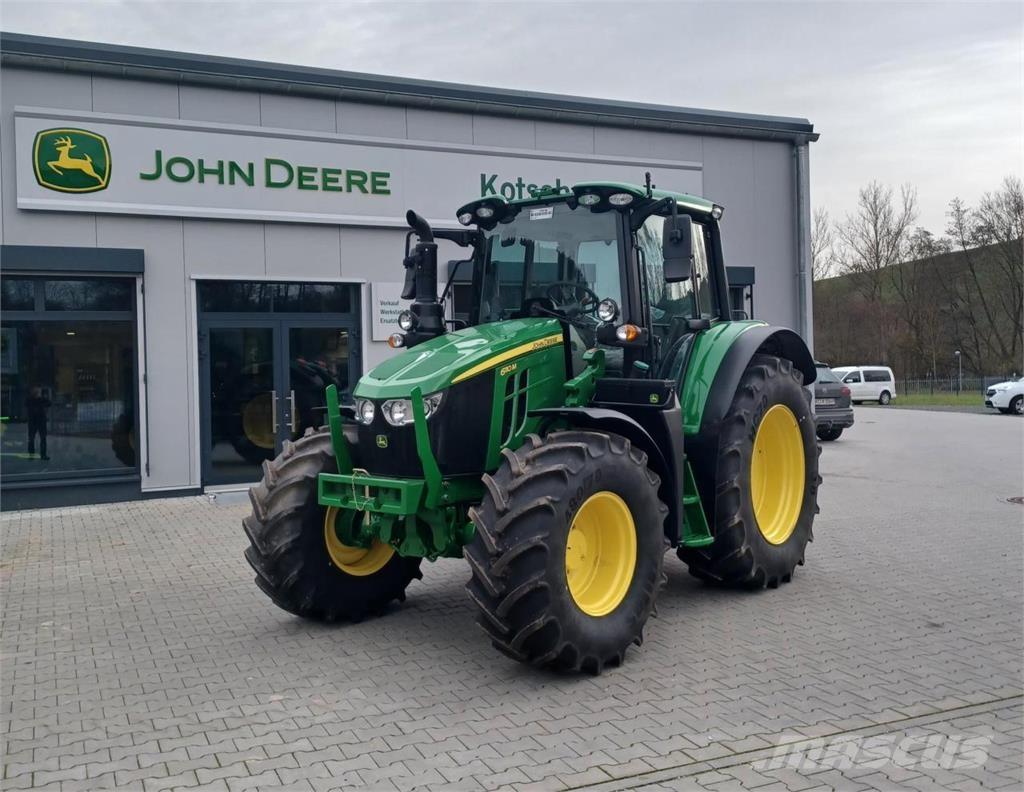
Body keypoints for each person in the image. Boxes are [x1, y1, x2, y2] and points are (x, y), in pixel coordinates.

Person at [26, 386, 50, 461]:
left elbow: (49, 403)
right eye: (36, 391)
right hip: (34, 421)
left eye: (38, 391)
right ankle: (32, 455)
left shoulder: (40, 399)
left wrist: (41, 398)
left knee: (42, 438)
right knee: (32, 439)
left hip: (40, 421)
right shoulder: (29, 399)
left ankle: (42, 455)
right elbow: (26, 405)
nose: (37, 392)